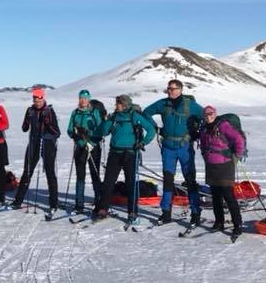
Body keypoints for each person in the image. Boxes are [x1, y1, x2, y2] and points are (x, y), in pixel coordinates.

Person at [143, 79, 204, 225]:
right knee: (168, 181)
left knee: (190, 181)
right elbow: (146, 112)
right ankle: (166, 213)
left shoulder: (191, 105)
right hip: (168, 147)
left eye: (173, 88)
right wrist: (156, 128)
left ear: (180, 90)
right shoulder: (163, 103)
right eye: (168, 88)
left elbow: (206, 117)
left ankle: (196, 213)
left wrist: (197, 132)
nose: (170, 91)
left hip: (185, 147)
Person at [92, 94, 156, 224]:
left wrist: (143, 143)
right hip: (115, 153)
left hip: (131, 154)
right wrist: (106, 121)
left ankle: (132, 211)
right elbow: (104, 132)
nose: (116, 106)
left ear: (125, 104)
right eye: (116, 103)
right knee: (108, 182)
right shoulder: (114, 117)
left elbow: (151, 130)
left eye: (118, 104)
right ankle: (103, 209)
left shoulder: (134, 116)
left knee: (131, 183)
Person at [197, 106, 245, 236]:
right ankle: (219, 222)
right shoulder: (204, 129)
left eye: (211, 114)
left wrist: (237, 155)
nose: (208, 116)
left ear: (215, 114)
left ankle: (237, 224)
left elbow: (238, 139)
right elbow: (202, 144)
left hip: (225, 165)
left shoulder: (223, 125)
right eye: (206, 114)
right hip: (211, 166)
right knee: (216, 196)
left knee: (229, 196)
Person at [12, 87, 60, 212]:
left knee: (50, 173)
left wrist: (48, 123)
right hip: (34, 143)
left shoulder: (49, 111)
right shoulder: (30, 110)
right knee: (27, 172)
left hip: (47, 143)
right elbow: (24, 128)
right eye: (35, 99)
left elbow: (57, 132)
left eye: (39, 99)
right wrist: (27, 121)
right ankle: (18, 201)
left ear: (43, 98)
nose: (37, 102)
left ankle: (53, 203)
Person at [65, 90, 104, 214]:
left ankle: (99, 203)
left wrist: (92, 142)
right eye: (81, 98)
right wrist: (76, 137)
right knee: (80, 176)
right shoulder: (75, 112)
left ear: (89, 99)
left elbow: (101, 130)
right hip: (80, 147)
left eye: (85, 98)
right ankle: (79, 205)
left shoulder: (94, 112)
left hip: (93, 147)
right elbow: (70, 129)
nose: (82, 100)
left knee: (95, 175)